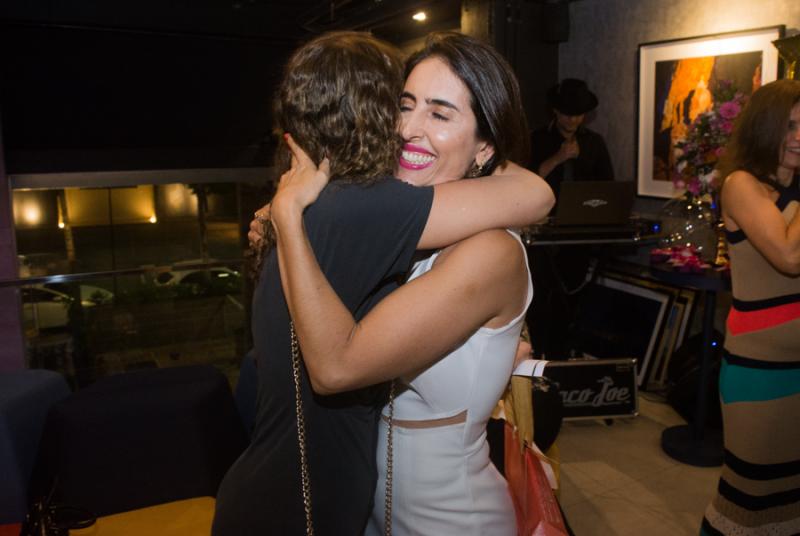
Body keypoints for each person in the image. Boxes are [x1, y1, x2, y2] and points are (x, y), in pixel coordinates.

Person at [213, 32, 553, 535]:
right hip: (368, 510)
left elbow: (338, 366)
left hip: (447, 519)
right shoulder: (403, 230)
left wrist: (287, 218)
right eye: (404, 105)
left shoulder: (490, 249)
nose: (408, 129)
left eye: (440, 114)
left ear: (485, 145)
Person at [701, 79, 800, 536]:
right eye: (790, 126)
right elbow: (789, 257)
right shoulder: (742, 185)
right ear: (765, 128)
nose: (799, 137)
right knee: (749, 499)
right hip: (762, 369)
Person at [530, 77, 614, 197]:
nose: (573, 119)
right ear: (556, 110)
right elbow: (527, 182)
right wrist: (557, 158)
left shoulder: (595, 141)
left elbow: (608, 186)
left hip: (585, 206)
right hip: (547, 207)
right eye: (567, 114)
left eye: (578, 114)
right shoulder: (537, 139)